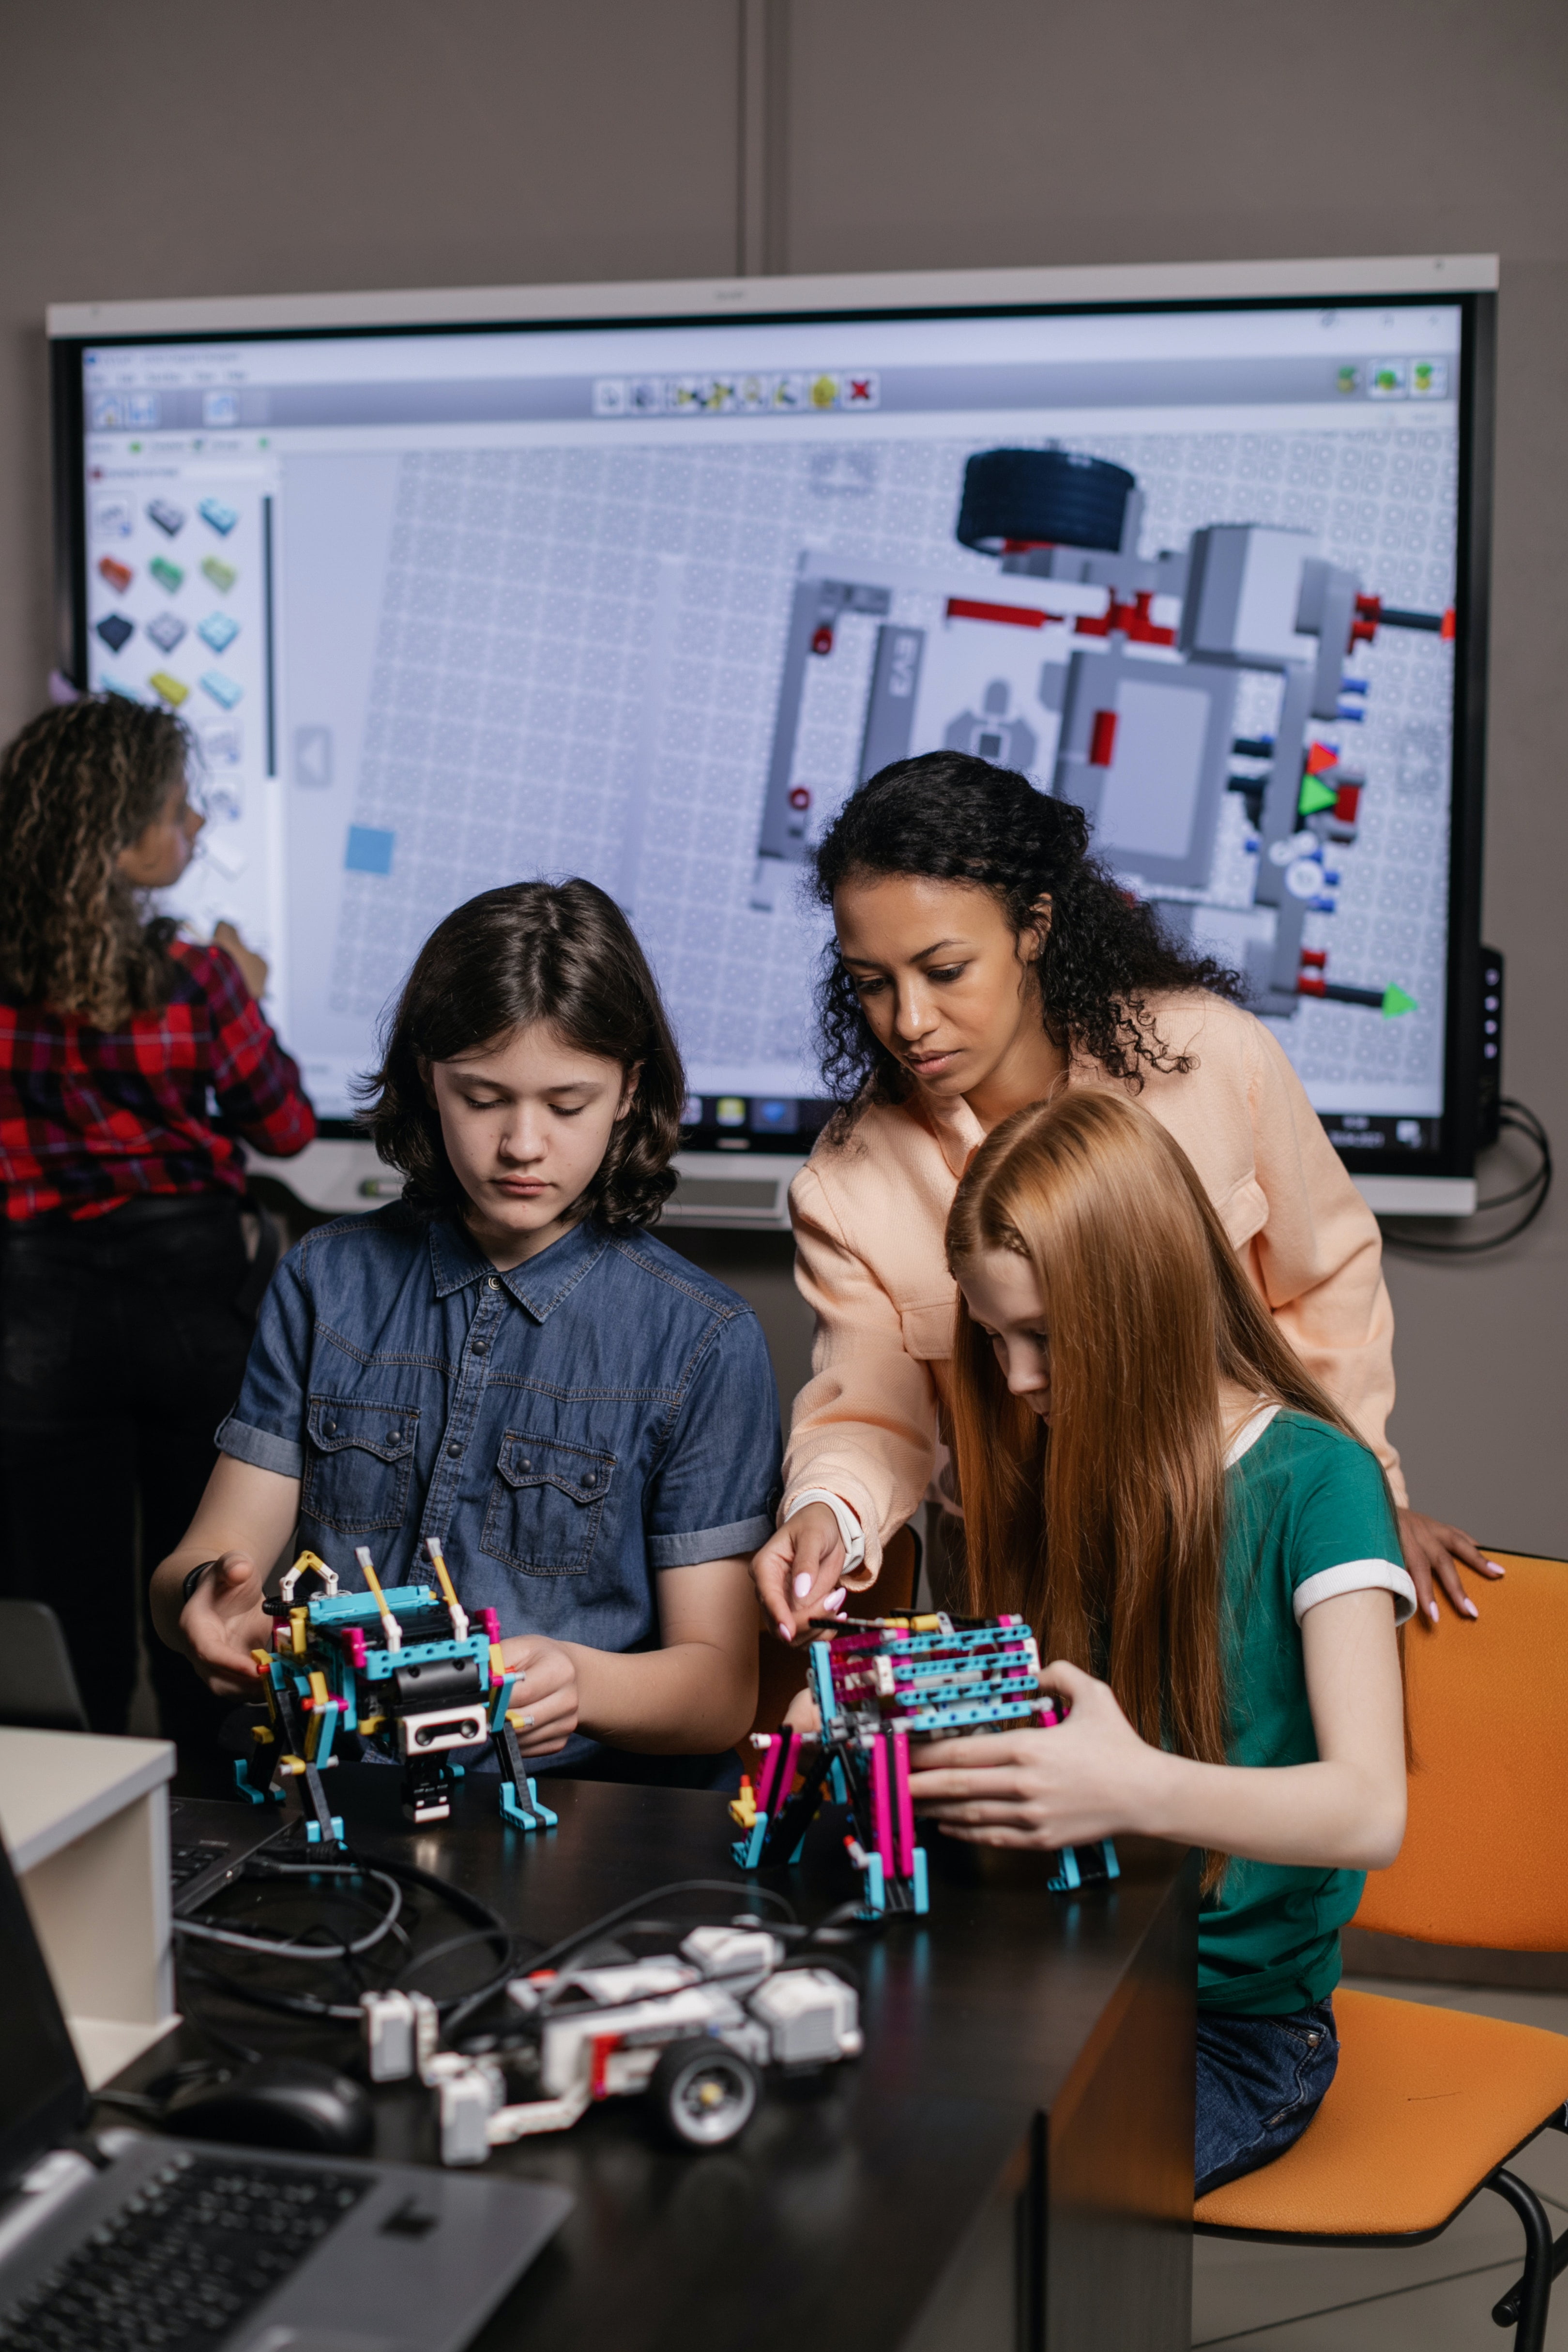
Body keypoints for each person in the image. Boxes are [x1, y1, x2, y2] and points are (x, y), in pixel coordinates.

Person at [752, 752, 1496, 1642]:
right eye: (873, 983)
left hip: (1241, 1540)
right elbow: (868, 1409)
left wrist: (1368, 1496)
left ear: (1033, 926)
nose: (908, 1020)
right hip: (1014, 1579)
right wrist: (828, 1511)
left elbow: (1324, 1282)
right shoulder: (845, 1186)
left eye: (945, 970)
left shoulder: (1216, 1059)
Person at [150, 879, 779, 1787]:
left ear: (629, 1091)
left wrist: (586, 1683)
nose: (523, 1144)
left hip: (575, 1805)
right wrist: (203, 1605)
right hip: (343, 1783)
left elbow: (719, 1693)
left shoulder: (705, 1339)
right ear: (426, 1081)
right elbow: (192, 1572)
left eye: (568, 1104)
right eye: (483, 1098)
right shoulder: (322, 1280)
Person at [910, 1088, 1410, 2194]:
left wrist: (1133, 1786)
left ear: (1144, 1300)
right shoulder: (1053, 1451)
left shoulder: (1318, 1480)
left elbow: (1369, 1808)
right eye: (994, 1340)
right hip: (1040, 1967)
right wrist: (886, 1713)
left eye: (1044, 1336)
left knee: (985, 2210)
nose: (1019, 1379)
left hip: (1228, 2030)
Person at [0, 696, 315, 1746]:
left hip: (34, 1309)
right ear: (118, 834)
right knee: (209, 1599)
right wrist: (255, 994)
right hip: (190, 1300)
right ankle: (212, 1831)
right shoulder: (200, 978)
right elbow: (286, 1123)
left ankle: (85, 1830)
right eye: (181, 811)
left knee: (64, 1599)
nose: (196, 831)